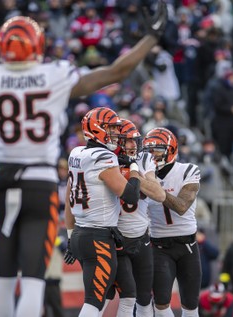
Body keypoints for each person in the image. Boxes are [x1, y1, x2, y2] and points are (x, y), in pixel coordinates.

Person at [0, 1, 168, 316]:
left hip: (3, 180)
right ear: (38, 45)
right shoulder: (55, 73)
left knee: (4, 279)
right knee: (34, 281)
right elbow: (117, 71)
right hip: (40, 182)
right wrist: (151, 37)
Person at [63, 107, 164, 317]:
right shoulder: (104, 157)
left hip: (82, 232)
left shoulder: (76, 153)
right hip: (97, 236)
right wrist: (134, 168)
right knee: (95, 301)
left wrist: (70, 237)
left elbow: (67, 199)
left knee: (125, 293)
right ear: (96, 129)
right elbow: (130, 195)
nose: (115, 134)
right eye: (110, 128)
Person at [105, 119, 165, 317]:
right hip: (116, 240)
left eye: (134, 141)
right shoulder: (106, 159)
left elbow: (159, 194)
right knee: (112, 296)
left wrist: (132, 172)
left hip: (141, 237)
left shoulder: (144, 159)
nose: (132, 145)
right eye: (127, 141)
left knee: (144, 298)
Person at [143, 127, 202, 317]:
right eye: (149, 151)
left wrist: (158, 193)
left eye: (157, 150)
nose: (152, 156)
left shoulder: (188, 170)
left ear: (171, 149)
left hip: (187, 246)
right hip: (159, 246)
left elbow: (182, 206)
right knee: (160, 305)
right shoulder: (144, 176)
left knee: (191, 307)